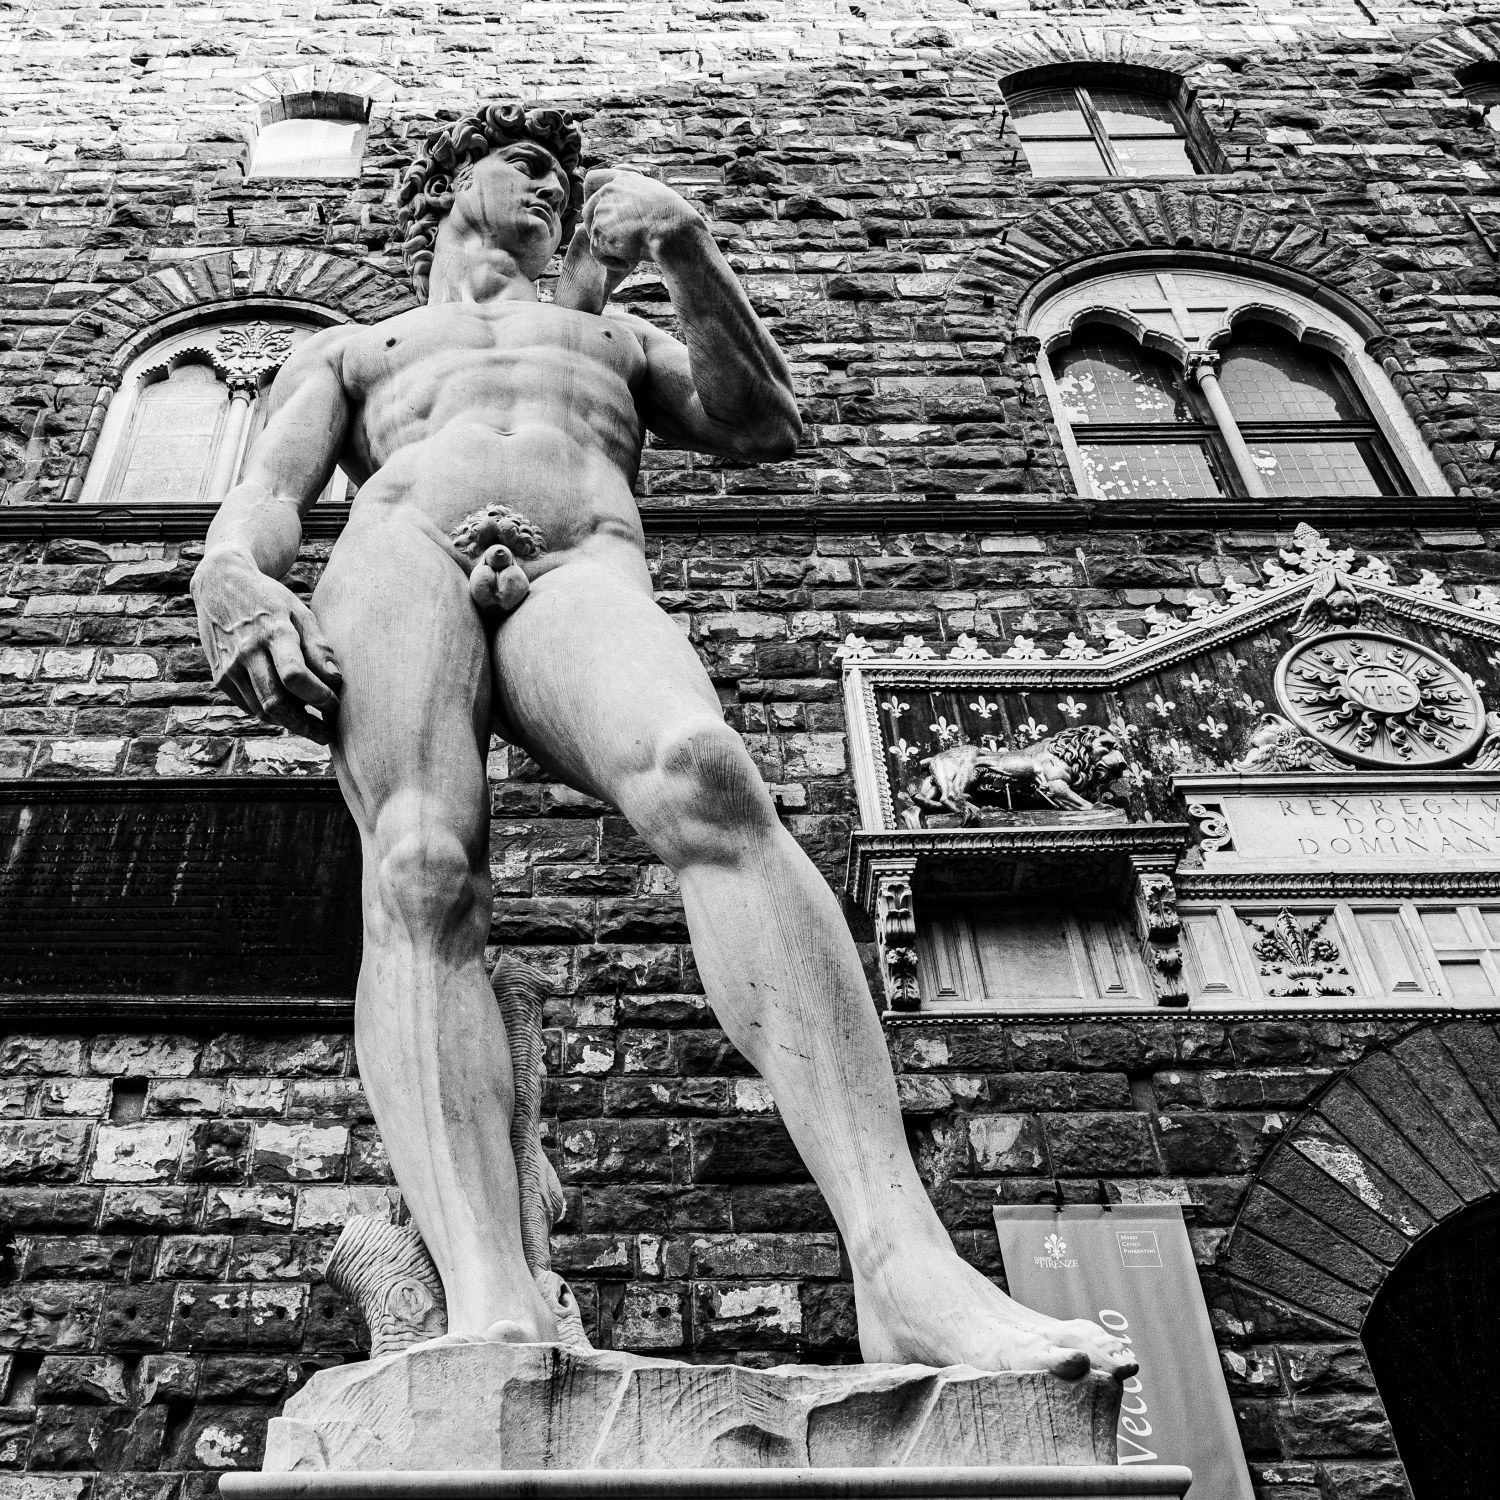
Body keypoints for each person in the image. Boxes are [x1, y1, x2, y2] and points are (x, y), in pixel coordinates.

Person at [191, 102, 1134, 1380]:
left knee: (707, 777)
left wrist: (688, 246)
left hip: (582, 556)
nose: (552, 190)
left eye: (566, 181)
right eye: (528, 166)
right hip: (399, 555)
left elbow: (762, 422)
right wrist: (232, 575)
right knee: (419, 870)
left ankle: (902, 1263)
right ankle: (487, 1296)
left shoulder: (617, 334)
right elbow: (267, 491)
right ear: (451, 182)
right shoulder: (359, 348)